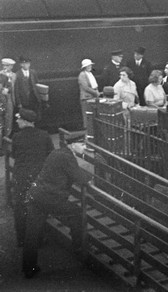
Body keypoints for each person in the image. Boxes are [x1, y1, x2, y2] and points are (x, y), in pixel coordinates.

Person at [22, 134, 91, 279]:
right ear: (72, 145)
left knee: (32, 234)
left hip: (35, 195)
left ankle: (29, 268)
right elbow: (80, 178)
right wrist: (90, 176)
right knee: (77, 213)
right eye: (82, 144)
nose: (85, 147)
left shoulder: (56, 153)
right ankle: (78, 249)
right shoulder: (68, 157)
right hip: (51, 198)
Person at [11, 109, 54, 247]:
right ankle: (38, 239)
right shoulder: (44, 135)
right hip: (38, 177)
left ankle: (22, 239)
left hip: (21, 176)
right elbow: (51, 155)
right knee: (38, 207)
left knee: (20, 207)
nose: (17, 121)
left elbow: (14, 154)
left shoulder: (16, 137)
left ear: (25, 121)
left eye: (19, 119)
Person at [78, 59, 100, 129]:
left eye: (90, 65)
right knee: (87, 117)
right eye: (88, 65)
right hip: (86, 99)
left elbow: (94, 86)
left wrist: (97, 92)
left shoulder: (90, 74)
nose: (90, 66)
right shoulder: (82, 75)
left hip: (93, 98)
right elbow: (86, 87)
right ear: (85, 67)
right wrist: (96, 93)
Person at [0, 58, 16, 137]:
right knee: (1, 118)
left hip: (10, 99)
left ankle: (7, 136)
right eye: (4, 65)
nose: (5, 67)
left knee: (9, 118)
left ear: (11, 66)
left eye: (7, 65)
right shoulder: (0, 74)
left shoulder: (14, 75)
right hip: (1, 99)